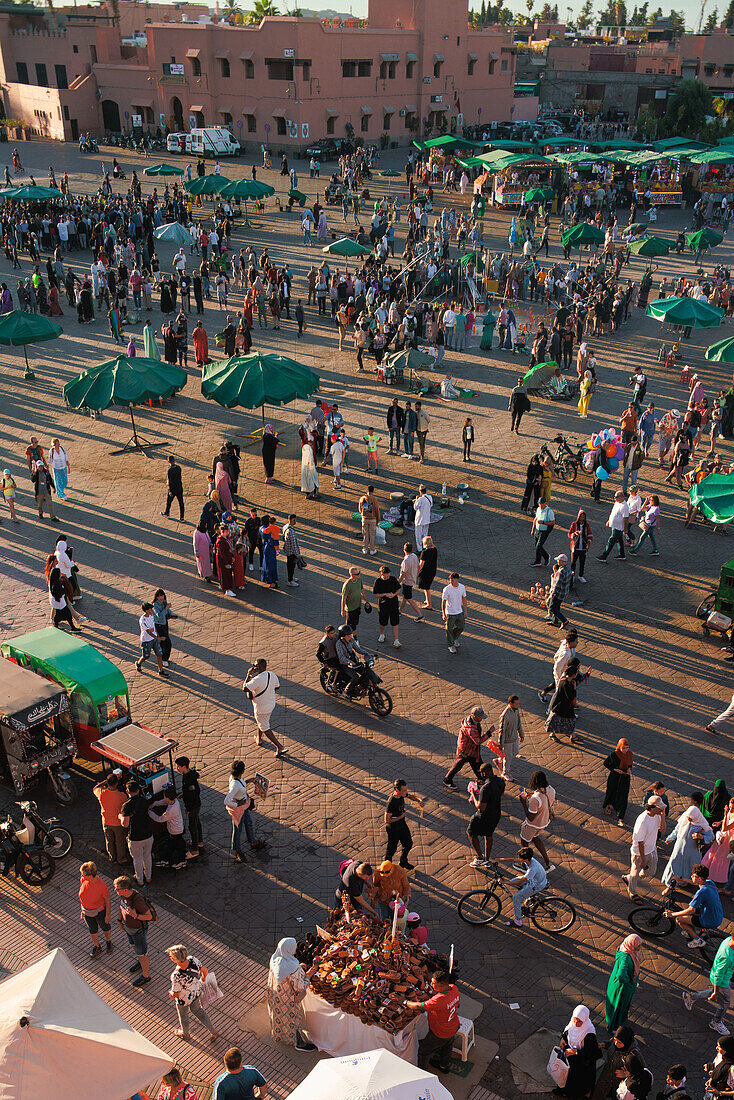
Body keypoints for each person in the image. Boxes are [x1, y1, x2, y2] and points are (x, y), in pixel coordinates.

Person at [406, 969, 460, 1074]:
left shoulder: (439, 1000)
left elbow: (418, 1006)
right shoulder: (454, 988)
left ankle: (423, 1074)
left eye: (433, 983)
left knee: (423, 1052)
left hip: (440, 1032)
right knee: (447, 1046)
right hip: (453, 1025)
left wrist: (405, 1002)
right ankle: (444, 1066)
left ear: (440, 985)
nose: (431, 984)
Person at [267, 938, 317, 1052]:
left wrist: (299, 967)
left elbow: (284, 972)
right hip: (288, 999)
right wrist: (308, 975)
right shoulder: (293, 969)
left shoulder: (275, 959)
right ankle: (299, 1043)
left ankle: (278, 1034)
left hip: (275, 995)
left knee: (279, 1016)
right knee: (292, 1020)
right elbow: (301, 986)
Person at [683, 930, 734, 1035]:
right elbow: (718, 977)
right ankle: (716, 1022)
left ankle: (692, 997)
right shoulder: (727, 958)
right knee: (724, 1003)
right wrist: (715, 992)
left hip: (725, 977)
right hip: (722, 980)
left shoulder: (728, 940)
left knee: (719, 994)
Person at [662, 791, 714, 887]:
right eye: (688, 817)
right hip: (680, 847)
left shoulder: (702, 823)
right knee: (675, 862)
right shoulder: (685, 818)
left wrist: (701, 837)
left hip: (692, 850)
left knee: (689, 866)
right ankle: (671, 883)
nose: (689, 820)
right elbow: (677, 829)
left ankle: (685, 881)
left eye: (691, 818)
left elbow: (711, 836)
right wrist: (670, 838)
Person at [664, 863, 723, 949]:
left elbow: (690, 910)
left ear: (699, 878)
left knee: (679, 919)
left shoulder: (701, 892)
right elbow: (694, 883)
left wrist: (672, 914)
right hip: (717, 915)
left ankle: (698, 940)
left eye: (694, 876)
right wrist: (681, 879)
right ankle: (690, 932)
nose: (691, 876)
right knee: (689, 915)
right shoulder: (709, 882)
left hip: (709, 920)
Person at [166, 944, 218, 1042]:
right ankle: (213, 1030)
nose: (170, 957)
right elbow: (204, 970)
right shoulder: (193, 959)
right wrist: (203, 977)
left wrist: (171, 993)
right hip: (196, 992)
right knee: (198, 1010)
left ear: (176, 959)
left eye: (171, 956)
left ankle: (185, 1034)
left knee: (183, 1014)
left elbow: (176, 994)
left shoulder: (176, 975)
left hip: (184, 999)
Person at [114, 875, 154, 988]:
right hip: (129, 928)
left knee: (143, 954)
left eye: (117, 889)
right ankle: (140, 962)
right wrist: (119, 920)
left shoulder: (137, 901)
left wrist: (135, 915)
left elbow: (149, 916)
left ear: (125, 890)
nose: (115, 890)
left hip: (138, 931)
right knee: (134, 947)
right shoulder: (124, 896)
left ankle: (146, 976)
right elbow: (122, 907)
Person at [224, 760, 267, 863]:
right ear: (242, 771)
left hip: (244, 806)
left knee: (248, 823)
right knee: (237, 829)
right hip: (238, 810)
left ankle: (252, 841)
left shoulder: (235, 779)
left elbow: (241, 784)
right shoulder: (235, 784)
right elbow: (226, 800)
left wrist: (250, 780)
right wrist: (237, 804)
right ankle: (238, 850)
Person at [624, 796, 665, 900]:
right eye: (659, 808)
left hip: (652, 848)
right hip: (639, 853)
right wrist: (642, 859)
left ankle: (629, 878)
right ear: (651, 807)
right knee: (635, 872)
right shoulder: (643, 821)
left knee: (651, 871)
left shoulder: (657, 815)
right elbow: (640, 842)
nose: (661, 809)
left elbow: (663, 830)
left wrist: (663, 816)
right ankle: (632, 892)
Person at [556, 1005, 601, 1100]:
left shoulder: (589, 1033)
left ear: (584, 1020)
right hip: (571, 1055)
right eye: (575, 1019)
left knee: (579, 1079)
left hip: (583, 1061)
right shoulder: (573, 1021)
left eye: (579, 1021)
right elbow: (568, 1030)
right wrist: (563, 1039)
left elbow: (591, 1053)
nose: (576, 1023)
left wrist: (575, 1051)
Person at [443, 706, 493, 789]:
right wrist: (489, 733)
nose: (482, 719)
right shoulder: (470, 729)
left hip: (470, 749)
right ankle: (447, 780)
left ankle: (482, 780)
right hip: (467, 751)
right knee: (462, 765)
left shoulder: (472, 722)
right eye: (480, 717)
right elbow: (478, 741)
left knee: (477, 765)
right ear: (475, 717)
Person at [467, 761, 505, 867]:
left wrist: (473, 794)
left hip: (484, 816)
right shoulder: (501, 781)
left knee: (471, 832)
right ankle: (487, 859)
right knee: (488, 835)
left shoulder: (485, 788)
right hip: (496, 814)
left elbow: (481, 808)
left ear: (484, 774)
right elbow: (501, 793)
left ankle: (480, 858)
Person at [244, 658, 284, 756]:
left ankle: (279, 747)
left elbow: (245, 688)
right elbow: (277, 687)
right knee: (262, 721)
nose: (254, 666)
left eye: (255, 665)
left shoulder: (257, 679)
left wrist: (249, 675)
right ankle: (259, 738)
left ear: (258, 667)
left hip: (261, 708)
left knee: (265, 727)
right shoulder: (272, 674)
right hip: (270, 704)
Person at [120, 780, 154, 887]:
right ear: (138, 790)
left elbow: (125, 824)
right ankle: (148, 877)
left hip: (135, 837)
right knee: (147, 856)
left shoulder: (126, 806)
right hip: (148, 834)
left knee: (137, 859)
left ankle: (140, 880)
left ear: (127, 791)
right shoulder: (144, 800)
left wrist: (120, 817)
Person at [519, 770, 556, 871]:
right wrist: (531, 794)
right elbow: (543, 798)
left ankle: (525, 866)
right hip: (544, 822)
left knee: (524, 842)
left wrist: (523, 803)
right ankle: (548, 863)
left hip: (533, 825)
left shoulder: (535, 799)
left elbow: (531, 817)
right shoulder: (551, 790)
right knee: (535, 838)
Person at [503, 844, 548, 928]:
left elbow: (520, 882)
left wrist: (505, 883)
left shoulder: (532, 869)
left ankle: (518, 921)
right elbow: (514, 859)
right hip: (535, 880)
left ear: (525, 859)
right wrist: (501, 860)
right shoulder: (530, 859)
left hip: (536, 885)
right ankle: (529, 896)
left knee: (516, 898)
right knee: (513, 880)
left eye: (520, 858)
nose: (519, 859)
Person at [605, 935, 642, 1032]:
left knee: (617, 1005)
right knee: (619, 1006)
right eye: (638, 946)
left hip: (617, 984)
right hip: (622, 988)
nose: (639, 948)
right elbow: (621, 975)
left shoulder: (623, 948)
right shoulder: (626, 957)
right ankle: (614, 1026)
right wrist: (629, 980)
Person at [384, 778, 424, 870]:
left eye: (406, 789)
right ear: (397, 790)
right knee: (391, 849)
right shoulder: (391, 802)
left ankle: (403, 861)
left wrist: (419, 800)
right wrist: (400, 817)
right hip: (393, 828)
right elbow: (387, 820)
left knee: (408, 843)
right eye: (404, 790)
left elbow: (410, 796)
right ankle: (386, 868)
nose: (406, 792)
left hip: (402, 825)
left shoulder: (402, 794)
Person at [590, 1025, 635, 1100]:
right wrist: (602, 1045)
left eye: (619, 1042)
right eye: (615, 1040)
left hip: (619, 1082)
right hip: (606, 1075)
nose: (616, 1043)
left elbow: (643, 1073)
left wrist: (626, 1074)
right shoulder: (615, 1041)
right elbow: (610, 1043)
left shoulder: (634, 1054)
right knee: (598, 1094)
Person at [79, 862, 113, 958]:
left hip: (100, 911)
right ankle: (97, 946)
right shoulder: (83, 880)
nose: (81, 876)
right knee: (92, 929)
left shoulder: (102, 885)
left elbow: (107, 900)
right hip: (87, 911)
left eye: (83, 874)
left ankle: (108, 941)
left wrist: (107, 915)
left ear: (90, 875)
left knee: (105, 926)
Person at [92, 773, 128, 864]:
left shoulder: (101, 793)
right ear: (117, 783)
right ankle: (121, 858)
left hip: (106, 821)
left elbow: (95, 788)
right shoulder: (122, 796)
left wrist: (105, 782)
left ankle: (112, 857)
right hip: (117, 823)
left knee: (109, 841)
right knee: (120, 842)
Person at [149, 786, 187, 870]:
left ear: (167, 797)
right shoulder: (174, 801)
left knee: (176, 845)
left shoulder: (171, 810)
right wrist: (155, 803)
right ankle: (167, 859)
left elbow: (160, 819)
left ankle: (181, 861)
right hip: (177, 828)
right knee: (173, 845)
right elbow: (164, 802)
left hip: (174, 830)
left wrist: (150, 813)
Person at [175, 756, 204, 857]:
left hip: (193, 806)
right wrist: (183, 794)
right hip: (195, 804)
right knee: (197, 822)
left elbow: (193, 793)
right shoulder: (187, 775)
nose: (177, 768)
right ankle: (199, 842)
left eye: (178, 766)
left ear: (184, 766)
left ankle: (195, 850)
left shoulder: (189, 779)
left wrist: (188, 808)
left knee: (192, 827)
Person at [603, 738, 633, 826]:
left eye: (627, 747)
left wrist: (629, 770)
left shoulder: (630, 754)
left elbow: (630, 765)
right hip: (615, 777)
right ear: (619, 747)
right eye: (623, 748)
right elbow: (606, 763)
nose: (625, 750)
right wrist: (615, 769)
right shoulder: (614, 754)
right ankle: (608, 806)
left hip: (625, 778)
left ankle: (620, 818)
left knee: (623, 796)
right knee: (612, 792)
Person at [373, 564, 402, 648]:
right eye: (387, 574)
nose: (388, 575)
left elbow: (399, 588)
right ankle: (382, 634)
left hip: (394, 604)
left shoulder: (393, 579)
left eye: (389, 573)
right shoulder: (378, 581)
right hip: (383, 605)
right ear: (382, 574)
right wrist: (385, 594)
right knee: (382, 622)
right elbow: (375, 595)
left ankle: (396, 640)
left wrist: (394, 595)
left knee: (395, 622)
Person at [136, 602, 168, 677]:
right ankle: (138, 663)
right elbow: (148, 632)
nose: (152, 610)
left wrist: (157, 635)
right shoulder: (142, 620)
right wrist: (158, 638)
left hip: (154, 639)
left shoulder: (151, 615)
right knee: (146, 656)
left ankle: (161, 671)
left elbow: (153, 627)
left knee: (159, 654)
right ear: (146, 610)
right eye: (150, 609)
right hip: (146, 640)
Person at [496, 695, 524, 782]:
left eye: (518, 703)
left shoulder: (516, 711)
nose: (518, 705)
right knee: (508, 757)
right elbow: (502, 730)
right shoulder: (505, 715)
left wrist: (521, 734)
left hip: (514, 737)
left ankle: (499, 760)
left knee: (515, 752)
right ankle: (505, 772)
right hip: (507, 740)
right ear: (510, 704)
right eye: (516, 704)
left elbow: (519, 722)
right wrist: (501, 744)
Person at [597, 491, 629, 561]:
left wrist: (625, 529)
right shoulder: (617, 503)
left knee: (611, 540)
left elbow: (626, 518)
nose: (615, 498)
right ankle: (622, 554)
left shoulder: (625, 506)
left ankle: (604, 555)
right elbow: (613, 512)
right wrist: (609, 521)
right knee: (619, 540)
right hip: (615, 525)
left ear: (621, 497)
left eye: (616, 497)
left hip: (619, 527)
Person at [442, 572, 467, 653]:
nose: (451, 582)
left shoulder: (462, 587)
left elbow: (464, 599)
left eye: (452, 580)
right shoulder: (447, 589)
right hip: (450, 613)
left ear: (457, 580)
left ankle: (453, 638)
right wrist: (443, 613)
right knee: (448, 629)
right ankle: (451, 645)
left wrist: (465, 612)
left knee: (461, 627)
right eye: (450, 580)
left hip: (459, 611)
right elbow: (443, 601)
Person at [546, 554, 572, 628]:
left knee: (552, 608)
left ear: (563, 561)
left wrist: (552, 594)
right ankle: (555, 621)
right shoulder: (568, 568)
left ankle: (564, 620)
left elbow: (557, 584)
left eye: (559, 560)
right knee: (557, 607)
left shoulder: (561, 571)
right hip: (564, 592)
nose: (558, 562)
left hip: (558, 593)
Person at [152, 589, 176, 668]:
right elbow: (159, 615)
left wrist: (171, 614)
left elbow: (168, 611)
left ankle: (164, 658)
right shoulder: (155, 605)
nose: (161, 598)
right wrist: (166, 609)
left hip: (165, 624)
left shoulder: (164, 602)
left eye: (162, 596)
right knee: (167, 642)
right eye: (159, 596)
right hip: (159, 626)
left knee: (163, 642)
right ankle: (164, 659)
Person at [568, 510, 592, 584]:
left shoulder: (587, 525)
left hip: (583, 548)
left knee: (582, 562)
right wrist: (574, 534)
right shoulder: (574, 524)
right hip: (575, 547)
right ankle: (572, 576)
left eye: (583, 517)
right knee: (573, 563)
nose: (582, 519)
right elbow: (569, 534)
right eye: (581, 517)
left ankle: (580, 575)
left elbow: (590, 536)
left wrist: (588, 543)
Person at [531, 498, 555, 565]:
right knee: (537, 545)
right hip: (537, 530)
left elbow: (552, 523)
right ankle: (538, 561)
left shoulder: (549, 511)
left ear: (545, 503)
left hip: (544, 531)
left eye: (542, 503)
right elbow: (535, 519)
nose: (541, 505)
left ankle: (546, 556)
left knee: (539, 546)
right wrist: (533, 530)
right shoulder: (538, 509)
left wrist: (543, 522)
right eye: (540, 503)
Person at [341, 566, 365, 631]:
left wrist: (367, 601)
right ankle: (353, 638)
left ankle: (353, 637)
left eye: (359, 573)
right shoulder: (347, 585)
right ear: (352, 575)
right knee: (350, 626)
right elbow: (344, 598)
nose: (359, 575)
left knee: (355, 623)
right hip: (350, 608)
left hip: (358, 606)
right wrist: (342, 610)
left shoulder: (359, 579)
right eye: (357, 574)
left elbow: (362, 590)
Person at [417, 536, 438, 610]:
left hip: (426, 572)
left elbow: (421, 565)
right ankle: (427, 600)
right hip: (432, 571)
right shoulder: (434, 549)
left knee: (426, 588)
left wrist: (417, 572)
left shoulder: (424, 552)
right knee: (427, 587)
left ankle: (429, 604)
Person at [359, 485, 380, 556]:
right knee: (372, 535)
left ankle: (365, 549)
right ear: (373, 491)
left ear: (367, 491)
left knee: (365, 534)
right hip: (373, 519)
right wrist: (378, 520)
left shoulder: (362, 499)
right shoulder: (374, 499)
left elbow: (359, 509)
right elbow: (377, 510)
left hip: (365, 519)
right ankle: (372, 549)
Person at [282, 514, 302, 588]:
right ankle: (290, 580)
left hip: (287, 550)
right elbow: (294, 545)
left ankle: (291, 577)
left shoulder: (285, 527)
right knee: (291, 566)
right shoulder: (291, 532)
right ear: (293, 520)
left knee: (290, 565)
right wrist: (298, 555)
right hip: (291, 552)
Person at [162, 455, 184, 520]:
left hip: (173, 489)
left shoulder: (170, 470)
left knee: (169, 501)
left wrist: (170, 491)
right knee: (181, 503)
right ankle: (182, 517)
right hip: (179, 488)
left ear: (168, 461)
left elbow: (170, 481)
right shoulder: (179, 468)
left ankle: (167, 513)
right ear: (174, 460)